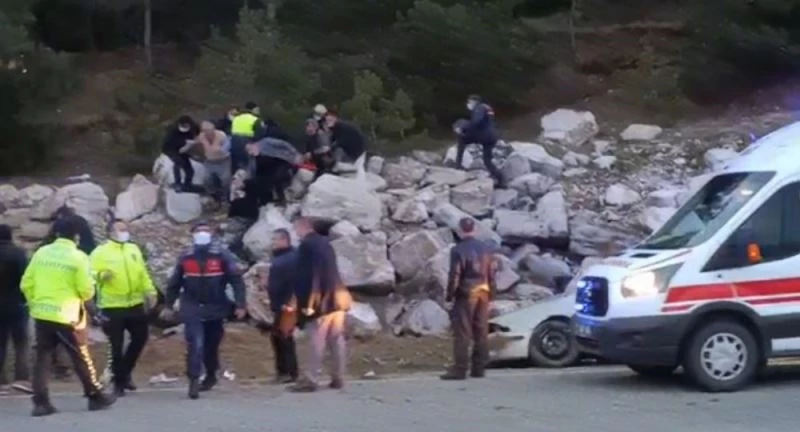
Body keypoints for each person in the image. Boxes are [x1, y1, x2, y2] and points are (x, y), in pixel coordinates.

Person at [21, 215, 116, 417]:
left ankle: (40, 402)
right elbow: (85, 291)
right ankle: (95, 395)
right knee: (80, 356)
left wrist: (35, 303)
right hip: (67, 316)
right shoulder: (78, 257)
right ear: (77, 236)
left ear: (56, 233)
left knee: (42, 358)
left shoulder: (41, 253)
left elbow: (26, 283)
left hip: (42, 314)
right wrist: (94, 312)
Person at [162, 221, 247, 399]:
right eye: (198, 231)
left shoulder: (222, 255)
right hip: (191, 305)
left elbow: (236, 280)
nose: (202, 234)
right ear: (192, 234)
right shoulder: (186, 256)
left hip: (216, 306)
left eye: (206, 231)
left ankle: (210, 374)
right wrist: (168, 305)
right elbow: (175, 282)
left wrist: (240, 304)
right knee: (195, 343)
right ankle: (193, 379)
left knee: (211, 344)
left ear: (212, 234)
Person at [89, 219, 157, 397]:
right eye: (120, 229)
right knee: (116, 345)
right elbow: (89, 273)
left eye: (126, 229)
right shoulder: (100, 252)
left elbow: (142, 273)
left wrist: (150, 291)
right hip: (112, 306)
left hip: (135, 303)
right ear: (110, 232)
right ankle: (119, 383)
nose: (124, 232)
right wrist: (101, 275)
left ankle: (125, 372)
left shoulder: (133, 249)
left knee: (140, 338)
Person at [289, 217, 352, 393]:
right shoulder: (326, 244)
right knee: (336, 339)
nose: (296, 232)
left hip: (319, 300)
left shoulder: (306, 246)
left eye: (296, 228)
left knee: (316, 339)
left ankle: (311, 378)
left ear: (304, 227)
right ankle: (338, 376)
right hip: (337, 297)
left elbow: (306, 277)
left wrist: (306, 303)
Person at [40, 205, 97, 379]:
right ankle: (83, 378)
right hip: (73, 295)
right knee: (74, 336)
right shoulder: (81, 228)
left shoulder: (50, 244)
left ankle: (58, 368)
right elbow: (91, 249)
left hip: (51, 295)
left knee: (48, 341)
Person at [440, 217, 497, 381]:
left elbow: (455, 274)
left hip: (466, 292)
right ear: (474, 229)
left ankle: (460, 369)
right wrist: (492, 295)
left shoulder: (457, 250)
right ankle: (479, 368)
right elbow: (491, 273)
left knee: (463, 331)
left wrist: (450, 296)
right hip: (483, 291)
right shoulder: (485, 248)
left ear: (460, 230)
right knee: (481, 330)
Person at [264, 229, 298, 383]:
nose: (273, 243)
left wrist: (288, 302)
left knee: (283, 337)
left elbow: (292, 282)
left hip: (286, 305)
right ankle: (285, 371)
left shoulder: (290, 259)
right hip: (279, 304)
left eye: (275, 239)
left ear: (285, 240)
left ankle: (288, 372)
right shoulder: (280, 258)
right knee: (279, 336)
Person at [0, 225, 30, 393]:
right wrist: (26, 299)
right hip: (16, 304)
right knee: (20, 342)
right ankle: (21, 378)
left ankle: (1, 381)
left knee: (0, 343)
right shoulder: (18, 253)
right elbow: (25, 278)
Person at [453, 94, 505, 187]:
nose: (468, 104)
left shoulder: (479, 108)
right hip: (492, 137)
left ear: (474, 102)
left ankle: (458, 166)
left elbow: (476, 122)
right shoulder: (487, 108)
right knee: (487, 160)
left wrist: (463, 129)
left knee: (461, 138)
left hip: (483, 136)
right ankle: (500, 180)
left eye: (469, 102)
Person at [245, 139, 298, 206]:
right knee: (261, 180)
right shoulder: (252, 158)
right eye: (247, 151)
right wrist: (245, 179)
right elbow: (251, 170)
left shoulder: (266, 142)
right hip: (269, 171)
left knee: (277, 177)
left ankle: (283, 197)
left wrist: (293, 151)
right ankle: (270, 200)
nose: (249, 152)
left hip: (281, 163)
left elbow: (281, 143)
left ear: (253, 144)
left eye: (249, 149)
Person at [192, 120, 232, 205]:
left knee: (226, 179)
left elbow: (228, 143)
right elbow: (194, 142)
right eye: (205, 130)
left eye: (209, 130)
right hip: (209, 161)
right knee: (206, 179)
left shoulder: (221, 135)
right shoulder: (201, 136)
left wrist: (222, 149)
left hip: (223, 161)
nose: (208, 132)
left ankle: (225, 196)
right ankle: (214, 195)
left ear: (214, 128)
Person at [324, 111, 367, 182]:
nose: (328, 122)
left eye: (330, 120)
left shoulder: (340, 127)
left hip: (355, 152)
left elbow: (339, 142)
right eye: (327, 121)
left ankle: (336, 168)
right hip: (355, 151)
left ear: (335, 119)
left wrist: (330, 148)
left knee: (338, 151)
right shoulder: (339, 126)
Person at [162, 115, 200, 191]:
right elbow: (171, 144)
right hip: (171, 149)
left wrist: (192, 144)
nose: (185, 127)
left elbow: (197, 133)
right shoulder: (173, 131)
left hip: (184, 149)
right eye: (183, 126)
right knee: (178, 163)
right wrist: (185, 144)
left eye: (186, 126)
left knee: (190, 170)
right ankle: (177, 183)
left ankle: (187, 184)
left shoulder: (193, 128)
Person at [230, 102, 264, 173]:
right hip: (248, 143)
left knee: (238, 166)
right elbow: (260, 135)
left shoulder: (236, 118)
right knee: (249, 165)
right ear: (253, 110)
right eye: (257, 109)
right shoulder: (255, 119)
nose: (258, 111)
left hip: (234, 143)